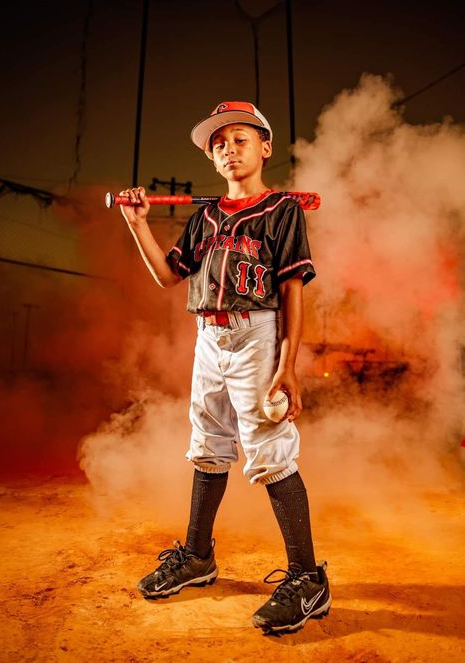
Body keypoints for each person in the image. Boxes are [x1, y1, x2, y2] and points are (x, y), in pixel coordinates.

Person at [119, 101, 331, 635]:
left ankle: (309, 579)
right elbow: (170, 276)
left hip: (257, 332)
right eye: (218, 144)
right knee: (208, 443)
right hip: (208, 336)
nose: (228, 149)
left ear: (264, 147)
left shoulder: (282, 211)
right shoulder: (205, 217)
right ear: (212, 160)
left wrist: (288, 365)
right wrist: (136, 223)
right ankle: (197, 556)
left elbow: (291, 291)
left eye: (239, 139)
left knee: (268, 446)